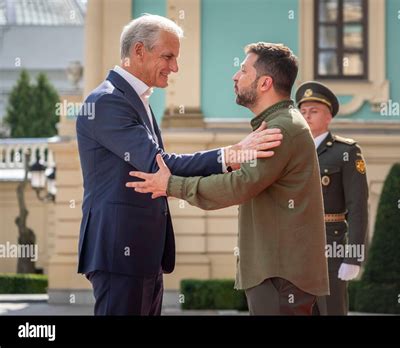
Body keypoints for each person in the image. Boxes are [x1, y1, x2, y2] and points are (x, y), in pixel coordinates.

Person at [75, 15, 283, 316]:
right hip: (119, 251)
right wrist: (232, 154)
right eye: (168, 56)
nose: (175, 67)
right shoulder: (108, 102)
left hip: (141, 253)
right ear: (138, 52)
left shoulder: (134, 99)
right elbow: (158, 165)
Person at [126, 42, 330, 315]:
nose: (235, 76)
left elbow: (239, 185)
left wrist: (170, 185)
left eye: (244, 71)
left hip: (280, 274)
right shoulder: (280, 123)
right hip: (278, 271)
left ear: (264, 83)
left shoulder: (281, 129)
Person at [295, 81, 369, 315]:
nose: (307, 116)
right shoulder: (292, 151)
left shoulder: (345, 152)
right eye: (303, 112)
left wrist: (353, 257)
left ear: (328, 117)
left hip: (331, 245)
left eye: (314, 111)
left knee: (331, 310)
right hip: (294, 244)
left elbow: (357, 207)